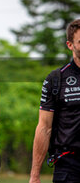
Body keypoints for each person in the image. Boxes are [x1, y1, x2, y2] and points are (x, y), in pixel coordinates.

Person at [30, 19, 80, 183]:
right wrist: (35, 175)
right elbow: (44, 127)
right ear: (70, 45)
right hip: (69, 165)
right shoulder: (56, 79)